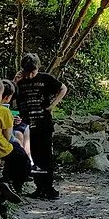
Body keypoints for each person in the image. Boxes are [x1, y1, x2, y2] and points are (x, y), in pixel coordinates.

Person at [15, 53, 67, 200]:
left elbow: (63, 88)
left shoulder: (45, 79)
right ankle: (39, 187)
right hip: (26, 125)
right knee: (34, 157)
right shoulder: (19, 81)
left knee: (46, 156)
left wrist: (52, 105)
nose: (30, 76)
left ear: (38, 68)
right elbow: (9, 96)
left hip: (43, 123)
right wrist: (15, 81)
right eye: (27, 72)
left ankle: (49, 188)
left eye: (33, 72)